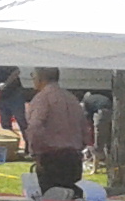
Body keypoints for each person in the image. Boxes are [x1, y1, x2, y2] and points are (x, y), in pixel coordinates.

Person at [23, 66, 92, 194]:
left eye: (33, 75)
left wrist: (35, 152)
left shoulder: (42, 98)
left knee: (51, 199)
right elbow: (85, 128)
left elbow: (35, 127)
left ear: (40, 79)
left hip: (51, 158)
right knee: (72, 197)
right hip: (73, 158)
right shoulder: (71, 98)